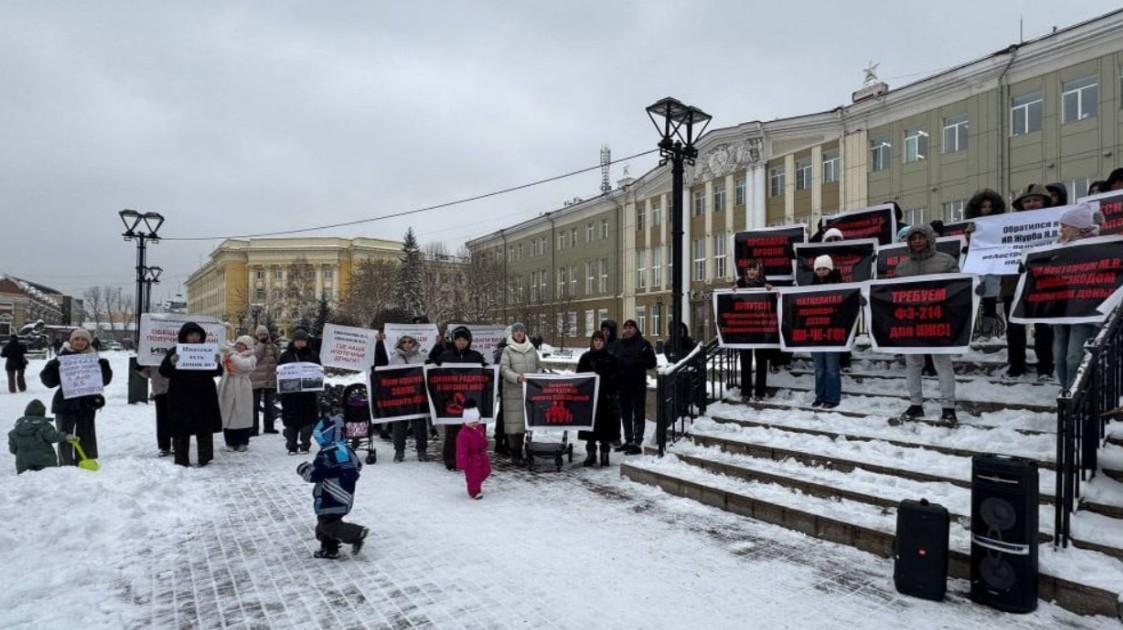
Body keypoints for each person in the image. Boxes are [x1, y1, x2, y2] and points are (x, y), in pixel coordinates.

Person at [895, 224, 961, 424]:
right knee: (913, 364)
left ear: (929, 239)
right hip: (911, 322)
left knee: (942, 363)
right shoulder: (902, 267)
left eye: (920, 238)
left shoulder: (946, 261)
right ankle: (916, 404)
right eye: (913, 239)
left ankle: (948, 407)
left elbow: (958, 289)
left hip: (938, 320)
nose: (917, 242)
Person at [297, 416, 369, 559]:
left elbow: (315, 475)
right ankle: (330, 549)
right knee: (324, 525)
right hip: (345, 495)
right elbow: (357, 467)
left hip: (330, 496)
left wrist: (303, 469)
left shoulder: (327, 455)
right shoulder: (345, 450)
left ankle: (356, 533)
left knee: (328, 525)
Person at [39, 328, 112, 466]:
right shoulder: (61, 358)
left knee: (86, 433)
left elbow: (105, 380)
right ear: (71, 341)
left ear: (88, 342)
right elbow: (48, 382)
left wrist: (104, 367)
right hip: (65, 403)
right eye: (76, 339)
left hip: (87, 403)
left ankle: (85, 459)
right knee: (65, 435)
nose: (80, 342)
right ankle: (66, 463)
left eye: (83, 339)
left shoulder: (94, 359)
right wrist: (53, 367)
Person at [1004, 184, 1055, 378]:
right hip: (1014, 280)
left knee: (1043, 326)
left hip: (1044, 281)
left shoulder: (1056, 220)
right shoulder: (1008, 223)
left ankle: (1046, 366)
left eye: (1036, 200)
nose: (1031, 204)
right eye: (1027, 201)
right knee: (1014, 326)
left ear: (1045, 202)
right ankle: (1016, 365)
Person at [160, 322, 223, 467]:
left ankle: (205, 457)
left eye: (197, 335)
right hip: (180, 397)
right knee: (181, 429)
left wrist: (216, 363)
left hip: (203, 396)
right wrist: (171, 362)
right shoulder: (175, 351)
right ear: (184, 336)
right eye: (191, 335)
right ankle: (181, 459)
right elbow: (164, 372)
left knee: (204, 428)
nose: (195, 338)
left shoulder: (207, 351)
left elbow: (217, 372)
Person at [1052, 206, 1101, 390]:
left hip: (1083, 308)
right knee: (1059, 353)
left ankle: (1074, 392)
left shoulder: (1097, 245)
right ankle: (1065, 390)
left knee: (1074, 355)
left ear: (1078, 228)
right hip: (1059, 307)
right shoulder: (1056, 246)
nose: (1061, 230)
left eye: (1065, 226)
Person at [436, 326, 486, 469]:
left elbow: (485, 373)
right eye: (458, 339)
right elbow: (435, 370)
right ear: (454, 340)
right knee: (452, 431)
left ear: (469, 341)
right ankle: (451, 460)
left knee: (472, 431)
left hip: (471, 399)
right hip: (452, 398)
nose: (461, 342)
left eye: (464, 339)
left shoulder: (476, 356)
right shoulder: (446, 355)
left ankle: (472, 457)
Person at [964, 189, 1007, 338]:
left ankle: (987, 332)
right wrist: (969, 236)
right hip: (977, 265)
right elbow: (968, 246)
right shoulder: (972, 225)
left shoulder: (1001, 224)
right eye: (984, 207)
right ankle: (973, 332)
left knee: (990, 299)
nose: (987, 210)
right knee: (974, 298)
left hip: (994, 265)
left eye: (989, 207)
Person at [577, 331, 620, 466]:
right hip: (589, 399)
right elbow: (579, 377)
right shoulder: (585, 358)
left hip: (605, 400)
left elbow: (616, 377)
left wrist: (611, 393)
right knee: (590, 430)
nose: (598, 343)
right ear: (592, 342)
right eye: (595, 340)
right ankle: (591, 454)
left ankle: (604, 453)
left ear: (604, 342)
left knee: (605, 430)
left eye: (600, 340)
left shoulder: (611, 358)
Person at [500, 322, 540, 465]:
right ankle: (515, 454)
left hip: (528, 392)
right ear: (512, 334)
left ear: (524, 333)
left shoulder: (531, 349)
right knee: (514, 425)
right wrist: (517, 377)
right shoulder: (507, 350)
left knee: (524, 423)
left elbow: (538, 366)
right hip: (513, 392)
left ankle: (522, 451)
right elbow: (504, 369)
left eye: (521, 331)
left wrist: (541, 378)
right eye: (516, 331)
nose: (519, 334)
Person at [614, 319, 657, 455]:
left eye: (631, 327)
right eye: (626, 327)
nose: (628, 329)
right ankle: (628, 440)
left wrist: (639, 361)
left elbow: (652, 363)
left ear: (636, 329)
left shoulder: (643, 344)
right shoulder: (619, 344)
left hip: (637, 385)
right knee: (625, 413)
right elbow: (614, 361)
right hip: (623, 385)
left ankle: (637, 443)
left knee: (638, 413)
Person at [278, 328, 321, 455]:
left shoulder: (312, 355)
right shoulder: (286, 355)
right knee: (291, 420)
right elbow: (280, 372)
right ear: (294, 341)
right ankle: (291, 445)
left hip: (307, 394)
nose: (300, 343)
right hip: (290, 394)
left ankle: (305, 445)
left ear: (306, 342)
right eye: (298, 340)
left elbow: (318, 370)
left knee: (307, 420)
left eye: (303, 340)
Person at [735, 260, 773, 401]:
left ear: (759, 271)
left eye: (754, 269)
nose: (751, 272)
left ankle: (759, 393)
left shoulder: (764, 284)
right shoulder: (740, 284)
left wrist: (771, 290)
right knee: (745, 361)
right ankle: (745, 392)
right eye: (749, 269)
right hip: (744, 329)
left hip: (760, 328)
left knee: (761, 362)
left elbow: (772, 303)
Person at [810, 256, 843, 409]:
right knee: (819, 368)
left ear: (830, 269)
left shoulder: (839, 285)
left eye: (824, 268)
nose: (821, 272)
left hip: (833, 332)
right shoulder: (809, 287)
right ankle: (820, 396)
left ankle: (832, 398)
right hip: (815, 332)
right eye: (818, 269)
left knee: (831, 367)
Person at [388, 334, 428, 462]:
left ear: (414, 343)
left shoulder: (422, 357)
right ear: (400, 344)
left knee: (419, 425)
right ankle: (399, 451)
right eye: (404, 342)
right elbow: (388, 377)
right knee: (399, 425)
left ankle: (421, 451)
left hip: (417, 397)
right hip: (401, 397)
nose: (407, 344)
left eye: (410, 341)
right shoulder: (394, 359)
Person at [8, 399, 72, 474]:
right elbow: (52, 437)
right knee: (46, 478)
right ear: (42, 413)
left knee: (27, 480)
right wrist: (65, 436)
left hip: (23, 462)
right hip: (44, 460)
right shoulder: (44, 426)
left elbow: (12, 449)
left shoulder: (16, 430)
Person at [218, 335, 257, 452]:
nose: (239, 347)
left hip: (242, 386)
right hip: (228, 385)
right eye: (238, 344)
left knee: (242, 415)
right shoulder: (230, 354)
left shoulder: (251, 357)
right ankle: (229, 441)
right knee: (228, 414)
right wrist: (223, 356)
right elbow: (222, 365)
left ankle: (243, 441)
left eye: (242, 345)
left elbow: (245, 366)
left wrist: (233, 357)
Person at [455, 400, 490, 499]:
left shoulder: (479, 428)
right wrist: (462, 462)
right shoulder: (463, 434)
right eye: (472, 422)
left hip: (481, 455)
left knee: (486, 470)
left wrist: (484, 443)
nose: (475, 424)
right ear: (466, 421)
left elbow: (483, 438)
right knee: (473, 476)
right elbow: (461, 449)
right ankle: (474, 491)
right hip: (471, 458)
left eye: (476, 421)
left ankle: (477, 482)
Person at [135, 362, 172, 456]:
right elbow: (148, 373)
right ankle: (164, 446)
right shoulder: (152, 354)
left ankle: (177, 445)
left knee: (175, 418)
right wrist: (140, 367)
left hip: (174, 388)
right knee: (162, 419)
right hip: (159, 389)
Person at [250, 325, 280, 435]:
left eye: (264, 334)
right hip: (255, 380)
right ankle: (253, 428)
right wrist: (261, 344)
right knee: (254, 406)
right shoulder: (253, 346)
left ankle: (269, 427)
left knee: (269, 405)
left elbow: (279, 360)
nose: (263, 336)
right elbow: (255, 358)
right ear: (256, 335)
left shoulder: (273, 347)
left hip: (270, 379)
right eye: (260, 334)